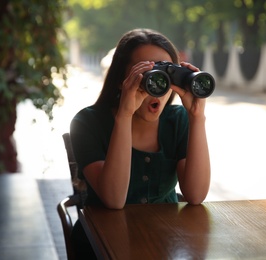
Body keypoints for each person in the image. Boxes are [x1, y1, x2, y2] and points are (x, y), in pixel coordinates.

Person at [70, 28, 211, 259]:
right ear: (120, 80)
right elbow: (114, 200)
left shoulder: (177, 120)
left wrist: (197, 118)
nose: (157, 87)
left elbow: (195, 195)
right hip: (101, 244)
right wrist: (124, 116)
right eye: (147, 74)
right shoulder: (87, 122)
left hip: (163, 239)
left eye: (166, 75)